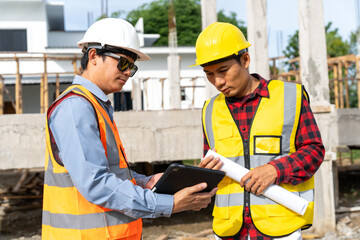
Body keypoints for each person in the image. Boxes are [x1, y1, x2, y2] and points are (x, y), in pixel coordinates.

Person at [41, 18, 217, 240]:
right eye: (123, 63)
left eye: (132, 67)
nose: (127, 73)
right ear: (94, 56)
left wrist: (145, 182)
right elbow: (96, 183)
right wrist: (169, 204)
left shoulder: (95, 105)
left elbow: (107, 170)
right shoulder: (76, 107)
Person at [194, 22, 325, 240]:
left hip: (280, 227)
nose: (217, 81)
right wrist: (204, 174)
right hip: (229, 229)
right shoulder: (209, 110)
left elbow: (314, 150)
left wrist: (276, 170)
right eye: (209, 74)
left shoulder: (289, 97)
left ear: (245, 60)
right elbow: (213, 165)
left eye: (223, 71)